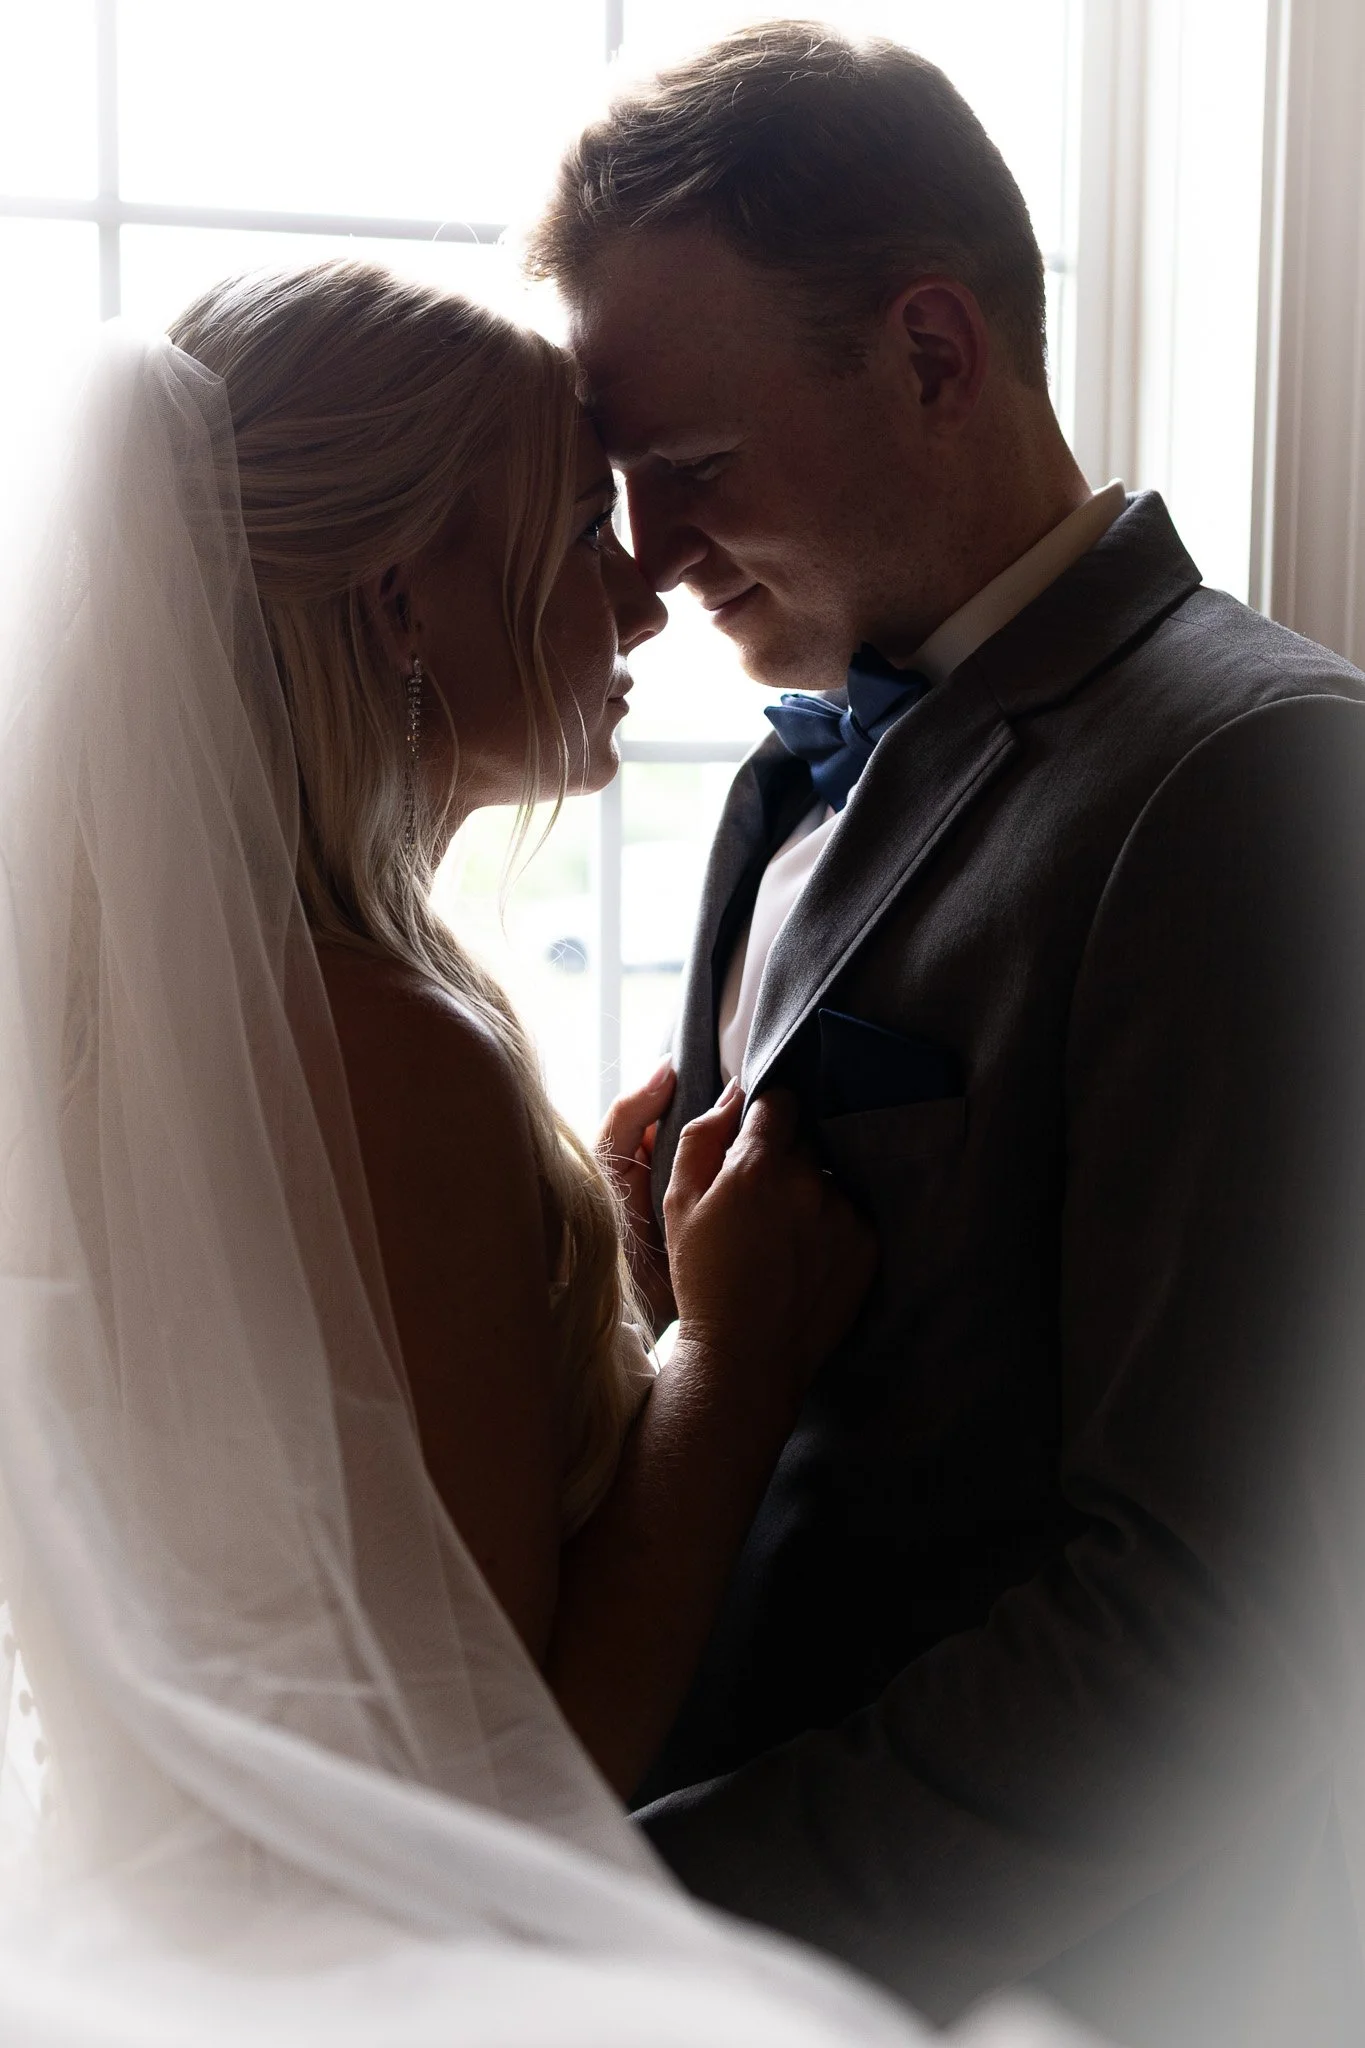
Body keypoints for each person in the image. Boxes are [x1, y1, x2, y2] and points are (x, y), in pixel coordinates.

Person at [0, 268, 961, 2048]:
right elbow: (507, 1768)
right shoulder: (381, 1050)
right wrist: (726, 1365)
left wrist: (579, 1284)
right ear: (401, 607)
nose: (637, 599)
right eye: (574, 527)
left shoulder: (151, 1024)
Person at [526, 20, 1365, 2045]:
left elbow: (1216, 1624)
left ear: (928, 350)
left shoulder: (1253, 778)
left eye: (690, 473)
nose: (642, 562)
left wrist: (621, 1926)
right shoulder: (775, 782)